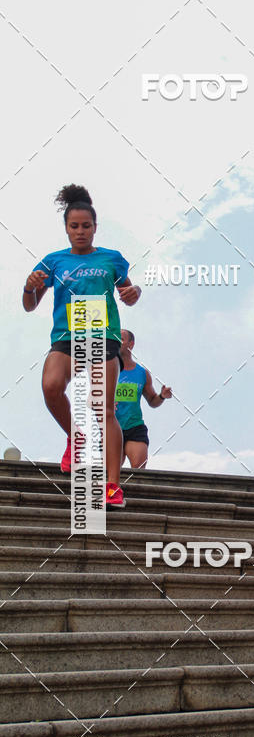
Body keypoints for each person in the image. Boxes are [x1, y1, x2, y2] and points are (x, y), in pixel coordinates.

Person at [22, 183, 141, 508]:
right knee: (51, 385)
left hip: (102, 335)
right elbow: (29, 305)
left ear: (94, 228)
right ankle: (77, 438)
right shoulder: (53, 261)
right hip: (67, 337)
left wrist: (135, 293)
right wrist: (30, 287)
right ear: (66, 228)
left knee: (104, 409)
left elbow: (128, 294)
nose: (80, 231)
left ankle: (112, 486)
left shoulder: (111, 259)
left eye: (85, 226)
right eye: (74, 226)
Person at [116, 329, 172, 468]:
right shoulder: (105, 370)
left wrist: (161, 396)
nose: (117, 342)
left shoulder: (142, 373)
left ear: (131, 344)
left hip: (134, 427)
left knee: (138, 471)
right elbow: (91, 401)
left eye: (121, 339)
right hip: (111, 427)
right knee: (110, 474)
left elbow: (153, 401)